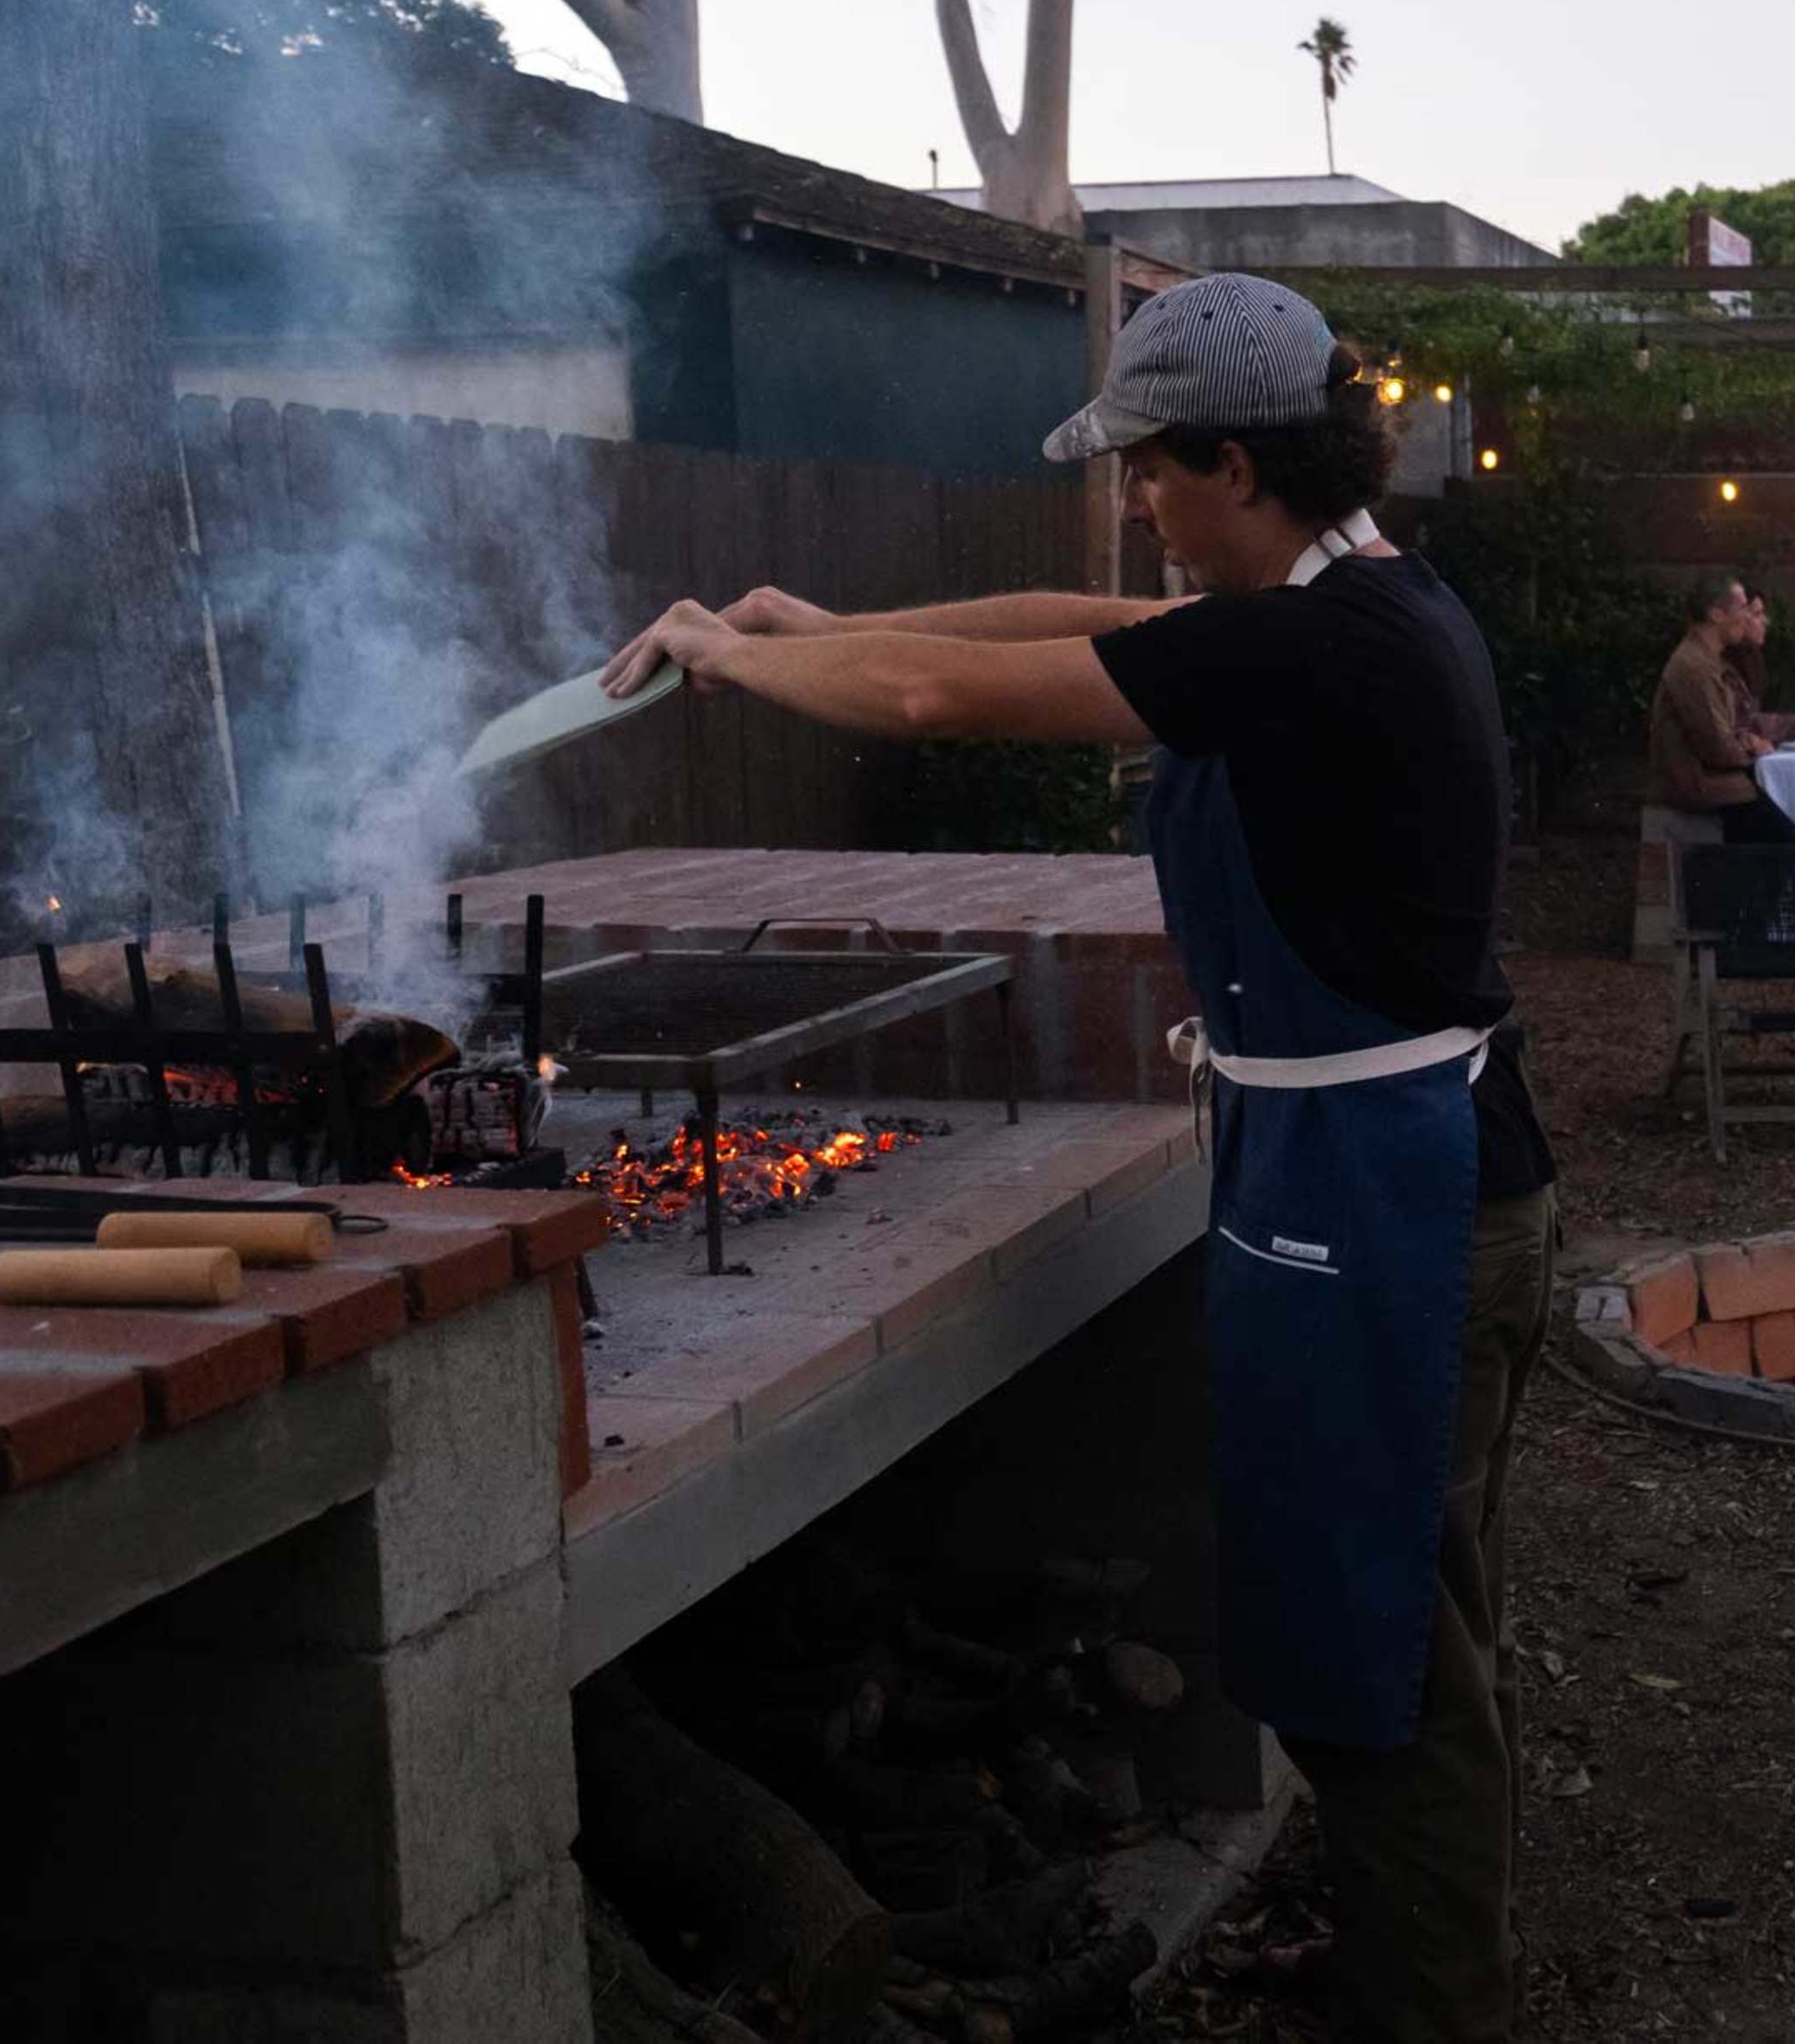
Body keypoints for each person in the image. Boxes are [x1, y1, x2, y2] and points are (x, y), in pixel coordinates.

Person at [599, 273, 1557, 2044]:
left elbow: (937, 697)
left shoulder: (1314, 645)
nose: (1135, 500)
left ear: (1236, 463)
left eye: (1149, 467)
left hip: (1395, 1195)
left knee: (1383, 1644)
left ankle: (1434, 2011)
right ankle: (1416, 1961)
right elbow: (1063, 619)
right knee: (1402, 1613)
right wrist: (824, 618)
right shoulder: (1344, 594)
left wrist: (740, 661)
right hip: (1376, 1171)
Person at [1649, 572, 1795, 844]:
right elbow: (1718, 746)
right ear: (1716, 614)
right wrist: (1754, 748)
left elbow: (1725, 731)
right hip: (1705, 789)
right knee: (1788, 839)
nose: (1747, 617)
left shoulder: (1707, 661)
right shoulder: (1695, 668)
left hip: (1718, 784)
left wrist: (1745, 739)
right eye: (1742, 608)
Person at [1726, 589, 1795, 747]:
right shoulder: (1724, 664)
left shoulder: (1752, 658)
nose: (1765, 621)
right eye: (1757, 614)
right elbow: (1745, 723)